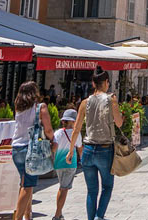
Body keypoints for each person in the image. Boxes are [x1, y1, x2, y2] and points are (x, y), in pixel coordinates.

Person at [68, 70, 123, 220]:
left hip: (88, 149)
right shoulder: (111, 99)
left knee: (91, 191)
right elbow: (119, 123)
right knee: (107, 187)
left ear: (93, 84)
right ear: (106, 83)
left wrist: (71, 151)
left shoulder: (85, 102)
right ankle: (99, 217)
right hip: (105, 149)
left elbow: (76, 128)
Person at [12, 81, 54, 220]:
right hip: (31, 149)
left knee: (24, 182)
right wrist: (53, 140)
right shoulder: (40, 107)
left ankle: (27, 215)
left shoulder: (18, 108)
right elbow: (48, 129)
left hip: (16, 148)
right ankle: (18, 217)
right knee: (28, 185)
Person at [52, 109, 83, 220]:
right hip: (70, 164)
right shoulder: (76, 133)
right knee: (64, 189)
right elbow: (80, 148)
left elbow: (54, 148)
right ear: (74, 121)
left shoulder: (58, 133)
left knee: (62, 187)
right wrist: (83, 161)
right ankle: (57, 215)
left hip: (58, 164)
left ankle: (59, 214)